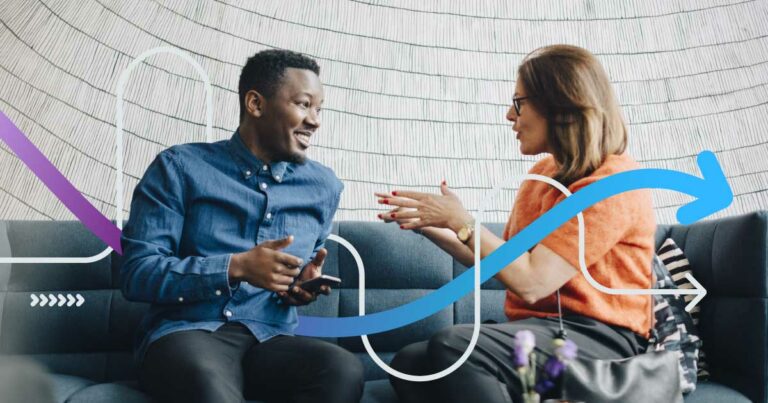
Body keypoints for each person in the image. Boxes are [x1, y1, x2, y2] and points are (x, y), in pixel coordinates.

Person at [377, 44, 656, 402]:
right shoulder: (542, 176)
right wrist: (431, 224)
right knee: (412, 364)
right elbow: (505, 264)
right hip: (540, 331)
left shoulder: (614, 184)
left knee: (452, 345)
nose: (510, 115)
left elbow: (532, 282)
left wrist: (463, 222)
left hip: (601, 338)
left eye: (519, 102)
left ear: (561, 106)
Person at [120, 49, 364, 403]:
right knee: (205, 378)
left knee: (342, 370)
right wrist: (235, 267)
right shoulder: (179, 167)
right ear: (255, 103)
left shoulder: (324, 187)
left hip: (271, 340)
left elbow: (290, 280)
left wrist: (299, 287)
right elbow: (137, 273)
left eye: (318, 109)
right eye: (303, 104)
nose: (315, 121)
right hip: (187, 333)